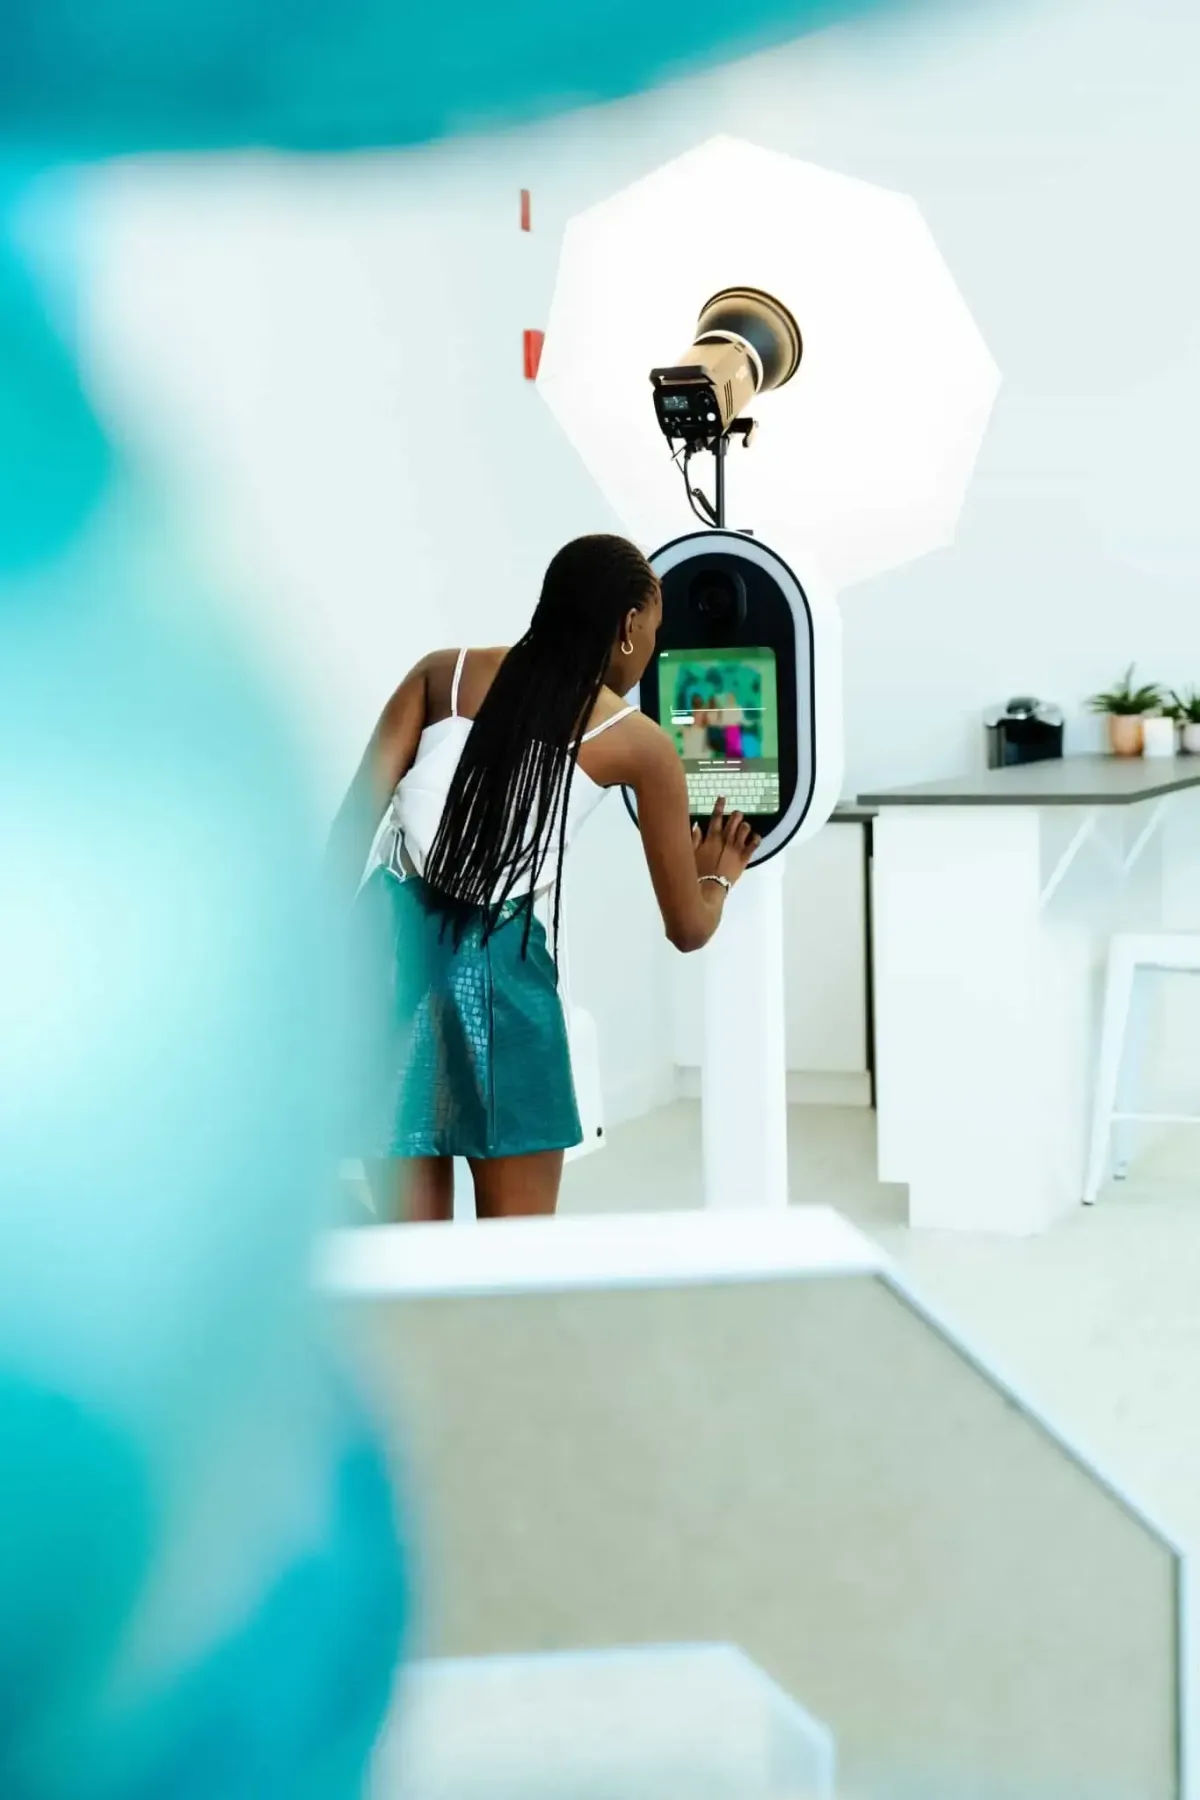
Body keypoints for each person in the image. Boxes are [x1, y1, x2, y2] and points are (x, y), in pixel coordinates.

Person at [327, 533, 759, 1225]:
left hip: (387, 971)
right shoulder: (639, 743)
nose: (650, 647)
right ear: (626, 628)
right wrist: (719, 876)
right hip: (499, 995)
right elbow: (688, 929)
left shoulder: (441, 674)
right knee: (514, 1270)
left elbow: (343, 846)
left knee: (410, 1268)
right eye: (653, 629)